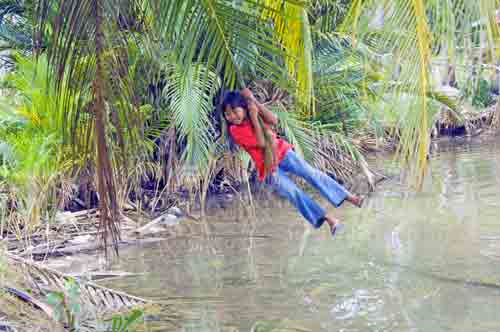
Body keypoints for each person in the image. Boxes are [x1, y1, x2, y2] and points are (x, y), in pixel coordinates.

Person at [222, 88, 364, 237]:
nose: (231, 116)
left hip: (283, 152)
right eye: (227, 114)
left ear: (243, 107)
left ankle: (350, 197)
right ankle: (330, 219)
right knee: (294, 193)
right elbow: (262, 142)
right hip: (269, 167)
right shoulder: (235, 130)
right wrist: (253, 115)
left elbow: (274, 121)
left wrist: (254, 102)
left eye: (234, 111)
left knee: (311, 174)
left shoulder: (252, 110)